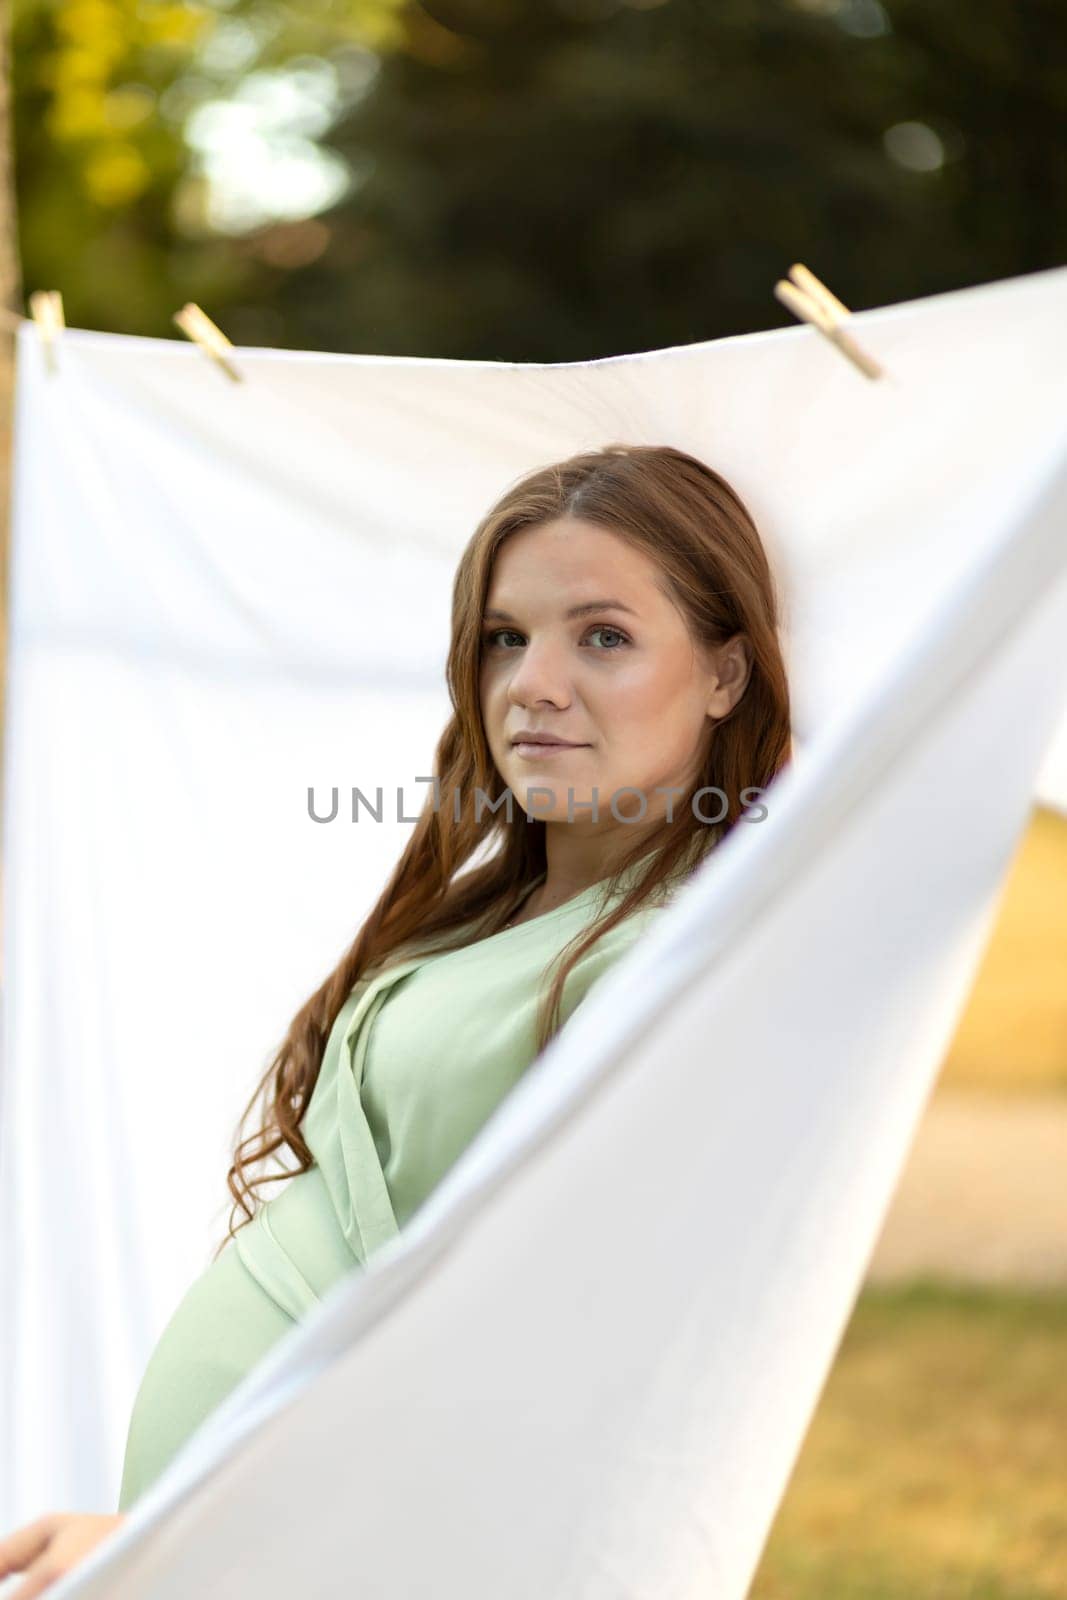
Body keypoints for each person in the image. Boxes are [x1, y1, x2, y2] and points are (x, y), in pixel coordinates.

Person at [0, 442, 791, 1595]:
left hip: (325, 1541)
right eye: (505, 636)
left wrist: (204, 1545)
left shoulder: (670, 960)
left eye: (603, 636)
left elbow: (535, 1366)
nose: (534, 683)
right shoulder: (494, 904)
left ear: (724, 673)